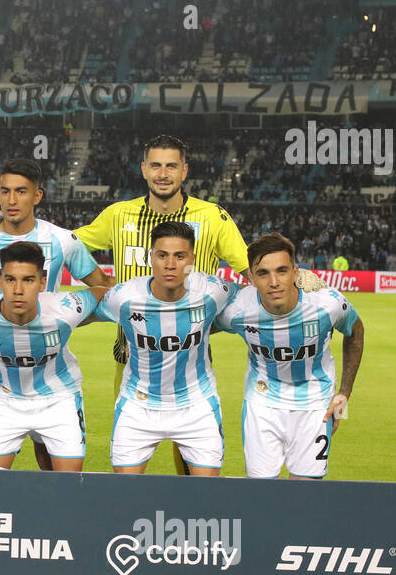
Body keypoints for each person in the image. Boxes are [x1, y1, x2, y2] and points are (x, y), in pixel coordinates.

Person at [69, 135, 251, 476]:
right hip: (132, 358)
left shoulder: (212, 217)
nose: (163, 174)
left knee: (192, 458)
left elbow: (251, 269)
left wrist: (300, 283)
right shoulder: (118, 215)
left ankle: (189, 519)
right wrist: (100, 281)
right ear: (143, 169)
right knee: (130, 458)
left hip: (191, 356)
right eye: (155, 165)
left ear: (184, 171)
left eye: (171, 166)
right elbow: (64, 244)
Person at [0, 158, 108, 469]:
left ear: (37, 196)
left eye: (21, 191)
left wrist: (61, 322)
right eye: (6, 191)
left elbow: (102, 288)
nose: (12, 200)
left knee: (48, 455)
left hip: (49, 361)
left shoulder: (62, 240)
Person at [94, 221, 239, 475]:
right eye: (162, 255)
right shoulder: (124, 297)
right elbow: (81, 308)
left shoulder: (212, 290)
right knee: (123, 495)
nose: (170, 264)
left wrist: (300, 285)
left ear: (192, 259)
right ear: (151, 257)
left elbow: (256, 297)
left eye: (179, 256)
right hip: (138, 406)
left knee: (206, 498)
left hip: (197, 405)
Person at [215, 233, 364, 479]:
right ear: (250, 278)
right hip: (261, 403)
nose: (274, 281)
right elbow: (194, 327)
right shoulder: (237, 310)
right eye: (263, 273)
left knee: (304, 496)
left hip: (317, 403)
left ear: (296, 272)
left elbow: (356, 331)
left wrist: (344, 394)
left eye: (282, 271)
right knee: (262, 493)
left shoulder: (327, 304)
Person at [0, 242, 105, 472]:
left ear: (42, 282)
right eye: (10, 279)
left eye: (28, 280)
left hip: (59, 399)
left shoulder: (64, 309)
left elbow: (101, 292)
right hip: (4, 400)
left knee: (68, 487)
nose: (18, 289)